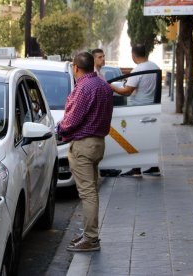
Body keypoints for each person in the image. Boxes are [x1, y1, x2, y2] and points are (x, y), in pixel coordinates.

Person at [57, 52, 113, 252]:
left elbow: (72, 119)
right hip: (98, 143)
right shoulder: (103, 86)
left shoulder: (83, 87)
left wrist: (59, 129)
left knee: (87, 193)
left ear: (76, 67)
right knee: (91, 192)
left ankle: (90, 238)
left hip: (84, 145)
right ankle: (89, 234)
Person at [110, 44, 161, 177]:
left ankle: (136, 168)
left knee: (134, 139)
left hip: (138, 108)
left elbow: (127, 91)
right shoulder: (154, 67)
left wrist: (111, 87)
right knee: (148, 138)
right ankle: (154, 167)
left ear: (133, 55)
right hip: (152, 106)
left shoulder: (138, 70)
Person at [91, 48, 122, 177]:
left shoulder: (100, 73)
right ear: (93, 59)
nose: (103, 59)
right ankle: (102, 169)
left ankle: (103, 168)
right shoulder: (93, 74)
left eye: (103, 56)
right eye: (99, 57)